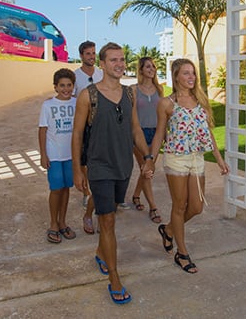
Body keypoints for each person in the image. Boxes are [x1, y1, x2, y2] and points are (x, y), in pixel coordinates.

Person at [72, 42, 154, 305]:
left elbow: (136, 130)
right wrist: (78, 169)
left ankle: (100, 252)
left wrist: (148, 156)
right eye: (113, 60)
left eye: (122, 60)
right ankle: (115, 278)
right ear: (103, 64)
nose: (119, 64)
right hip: (99, 167)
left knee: (112, 214)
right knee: (107, 221)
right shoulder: (88, 95)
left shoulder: (129, 94)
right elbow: (76, 135)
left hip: (123, 167)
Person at [144, 58, 229, 274]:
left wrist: (219, 159)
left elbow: (208, 131)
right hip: (176, 158)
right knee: (179, 206)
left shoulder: (200, 99)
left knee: (197, 207)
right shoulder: (166, 104)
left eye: (193, 73)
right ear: (176, 77)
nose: (191, 77)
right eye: (186, 73)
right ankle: (181, 254)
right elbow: (159, 134)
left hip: (197, 158)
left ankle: (169, 230)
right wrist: (150, 160)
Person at [38, 68, 78, 244]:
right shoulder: (48, 105)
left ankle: (63, 222)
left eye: (69, 85)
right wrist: (43, 154)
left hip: (71, 155)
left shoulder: (77, 103)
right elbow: (42, 130)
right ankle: (53, 223)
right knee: (56, 189)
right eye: (62, 85)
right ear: (55, 87)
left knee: (66, 188)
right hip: (54, 155)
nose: (66, 89)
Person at [73, 41, 103, 234]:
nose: (92, 56)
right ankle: (86, 192)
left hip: (101, 125)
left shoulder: (101, 73)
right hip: (84, 125)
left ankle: (97, 201)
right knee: (84, 161)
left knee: (98, 164)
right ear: (81, 56)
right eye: (88, 53)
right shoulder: (76, 76)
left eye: (93, 53)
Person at [129, 56, 164, 224]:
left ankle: (136, 195)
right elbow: (132, 116)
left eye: (153, 66)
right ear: (141, 69)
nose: (151, 69)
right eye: (148, 66)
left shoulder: (160, 89)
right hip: (139, 134)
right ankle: (153, 207)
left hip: (156, 134)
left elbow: (162, 114)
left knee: (147, 170)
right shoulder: (134, 90)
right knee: (147, 170)